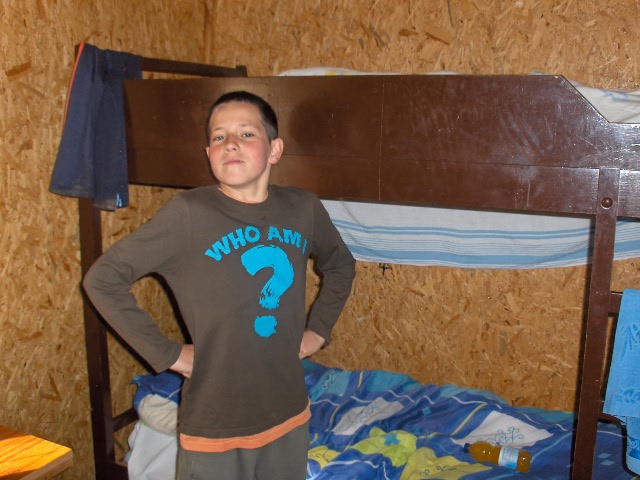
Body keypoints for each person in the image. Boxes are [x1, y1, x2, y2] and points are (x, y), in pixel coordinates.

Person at [83, 90, 356, 479]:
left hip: (289, 416)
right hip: (215, 426)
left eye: (246, 133)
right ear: (208, 153)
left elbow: (341, 265)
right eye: (218, 136)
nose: (230, 143)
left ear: (274, 149)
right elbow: (103, 279)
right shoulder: (189, 214)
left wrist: (318, 331)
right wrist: (168, 354)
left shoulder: (303, 208)